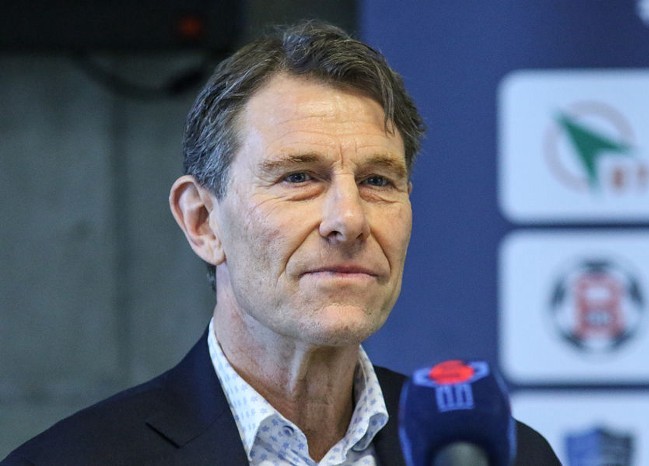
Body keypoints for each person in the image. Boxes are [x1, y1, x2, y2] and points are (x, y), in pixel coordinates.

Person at [1, 21, 560, 465]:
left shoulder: (503, 457)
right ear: (203, 222)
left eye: (377, 180)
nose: (349, 219)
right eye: (298, 177)